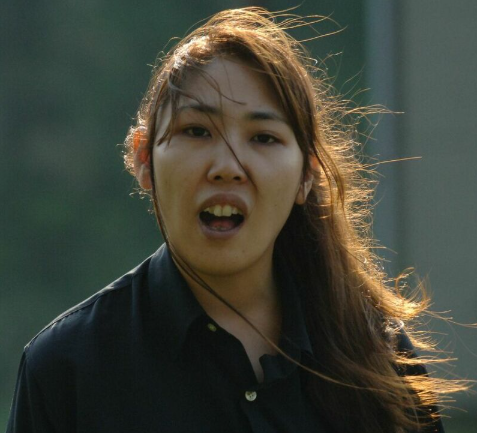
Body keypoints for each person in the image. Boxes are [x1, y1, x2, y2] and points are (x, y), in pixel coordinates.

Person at [7, 7, 462, 433]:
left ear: (306, 176)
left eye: (263, 137)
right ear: (144, 159)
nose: (227, 166)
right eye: (196, 131)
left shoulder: (378, 354)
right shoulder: (67, 368)